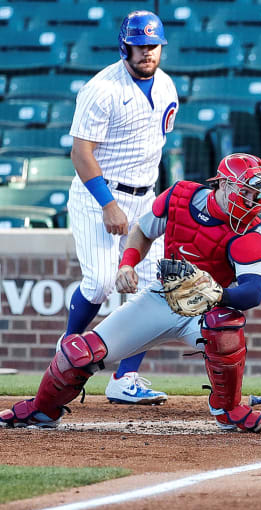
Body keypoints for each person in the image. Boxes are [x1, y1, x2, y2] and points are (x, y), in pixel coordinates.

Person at [0, 153, 261, 432]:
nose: (252, 202)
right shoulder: (180, 197)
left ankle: (227, 408)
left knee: (225, 326)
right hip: (162, 297)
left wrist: (215, 294)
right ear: (224, 184)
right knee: (79, 353)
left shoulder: (248, 234)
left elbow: (252, 293)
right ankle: (42, 410)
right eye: (247, 192)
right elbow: (142, 231)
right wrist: (127, 264)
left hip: (204, 312)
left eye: (257, 196)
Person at [66, 10, 178, 404]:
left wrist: (155, 205)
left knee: (156, 289)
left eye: (153, 45)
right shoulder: (103, 88)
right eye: (140, 45)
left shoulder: (166, 86)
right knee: (99, 282)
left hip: (144, 197)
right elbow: (81, 153)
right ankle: (65, 361)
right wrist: (109, 204)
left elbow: (154, 151)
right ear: (124, 45)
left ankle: (125, 378)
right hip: (99, 196)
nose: (147, 52)